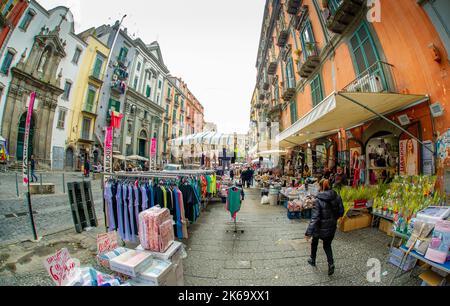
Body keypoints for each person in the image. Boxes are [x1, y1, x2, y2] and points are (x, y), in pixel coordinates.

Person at [305, 179, 344, 276]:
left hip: (319, 227)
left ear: (322, 187)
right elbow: (341, 212)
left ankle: (312, 259)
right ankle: (331, 264)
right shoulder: (337, 196)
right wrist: (333, 219)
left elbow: (315, 218)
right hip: (331, 227)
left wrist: (308, 233)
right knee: (327, 245)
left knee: (314, 242)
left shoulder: (318, 200)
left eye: (318, 185)